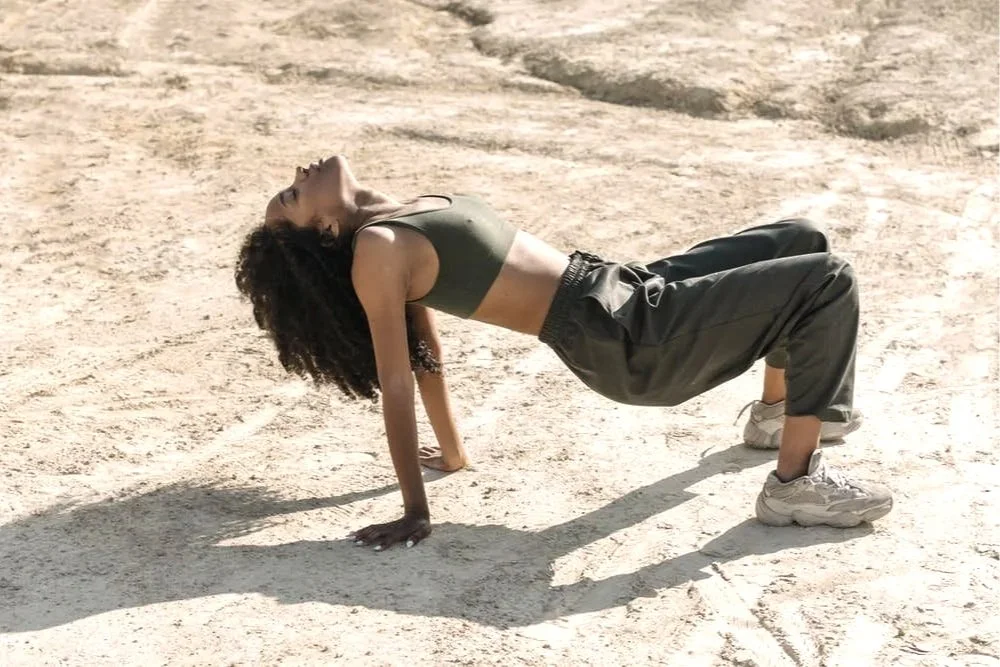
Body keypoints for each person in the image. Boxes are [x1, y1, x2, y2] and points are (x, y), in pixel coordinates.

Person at [235, 155, 893, 550]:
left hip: (620, 284)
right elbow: (400, 374)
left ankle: (779, 413)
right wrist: (415, 506)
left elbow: (425, 348)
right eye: (292, 195)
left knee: (800, 239)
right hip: (620, 334)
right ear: (322, 229)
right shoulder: (377, 253)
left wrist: (456, 453)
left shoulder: (392, 217)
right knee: (827, 279)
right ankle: (793, 485)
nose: (298, 174)